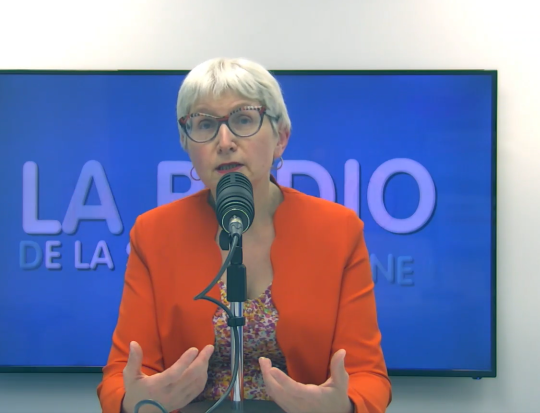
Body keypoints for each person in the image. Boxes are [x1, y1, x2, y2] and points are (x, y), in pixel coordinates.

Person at [96, 58, 392, 413]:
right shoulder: (154, 232)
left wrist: (343, 406)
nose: (225, 142)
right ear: (186, 143)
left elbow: (368, 377)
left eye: (243, 119)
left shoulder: (339, 230)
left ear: (281, 137)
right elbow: (122, 376)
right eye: (205, 124)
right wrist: (136, 403)